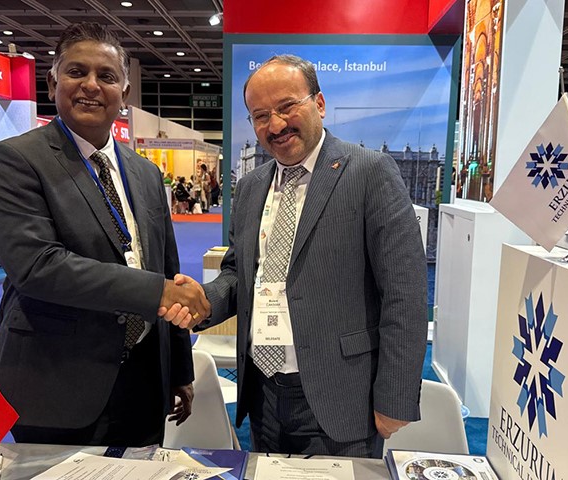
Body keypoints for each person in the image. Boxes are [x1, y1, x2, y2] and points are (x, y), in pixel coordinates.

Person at [162, 54, 428, 458]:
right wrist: (204, 301)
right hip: (263, 394)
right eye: (260, 115)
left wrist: (395, 397)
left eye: (287, 106)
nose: (275, 125)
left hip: (340, 394)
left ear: (318, 103)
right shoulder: (250, 187)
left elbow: (405, 293)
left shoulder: (370, 172)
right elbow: (239, 273)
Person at [0, 22, 208, 447]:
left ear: (124, 93)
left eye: (106, 76)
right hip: (56, 381)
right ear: (53, 83)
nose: (91, 85)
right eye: (76, 72)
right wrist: (157, 291)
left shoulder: (145, 172)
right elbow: (38, 267)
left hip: (144, 380)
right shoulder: (14, 160)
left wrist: (179, 370)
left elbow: (168, 268)